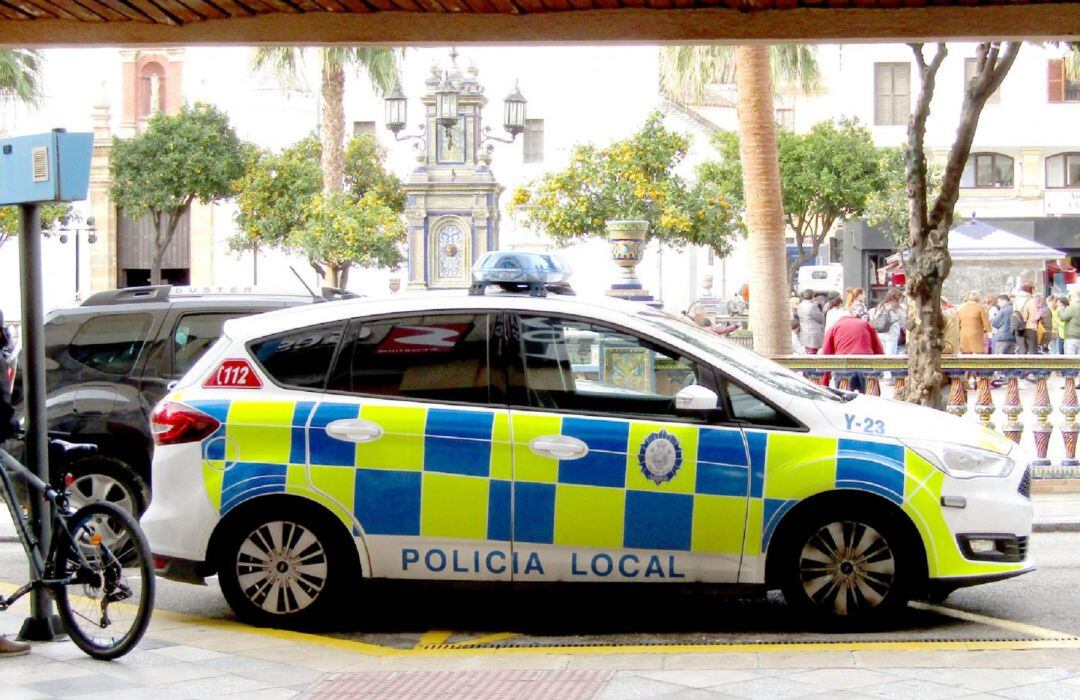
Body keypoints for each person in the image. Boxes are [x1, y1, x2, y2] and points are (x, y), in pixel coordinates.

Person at [820, 313, 885, 392]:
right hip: (866, 365)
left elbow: (826, 356)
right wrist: (880, 369)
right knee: (871, 399)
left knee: (844, 398)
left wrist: (824, 383)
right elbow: (878, 349)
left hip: (844, 367)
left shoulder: (834, 327)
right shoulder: (866, 325)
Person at [871, 288, 903, 355]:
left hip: (880, 332)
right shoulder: (896, 307)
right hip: (892, 334)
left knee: (882, 354)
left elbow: (875, 317)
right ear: (897, 297)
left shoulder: (881, 305)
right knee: (890, 356)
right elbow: (903, 320)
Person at [796, 289, 824, 354]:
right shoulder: (812, 306)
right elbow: (820, 319)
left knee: (805, 352)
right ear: (812, 296)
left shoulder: (800, 305)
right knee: (812, 353)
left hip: (803, 331)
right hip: (813, 333)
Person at [1015, 282, 1039, 354]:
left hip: (1018, 327)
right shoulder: (1031, 300)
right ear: (1030, 290)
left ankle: (1021, 364)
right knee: (1032, 351)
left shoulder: (1016, 300)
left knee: (1022, 350)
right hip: (1030, 328)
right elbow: (1034, 317)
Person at [1059, 291, 1080, 355]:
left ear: (1074, 297)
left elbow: (1063, 318)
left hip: (1072, 338)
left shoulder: (1073, 307)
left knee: (1070, 360)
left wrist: (1061, 310)